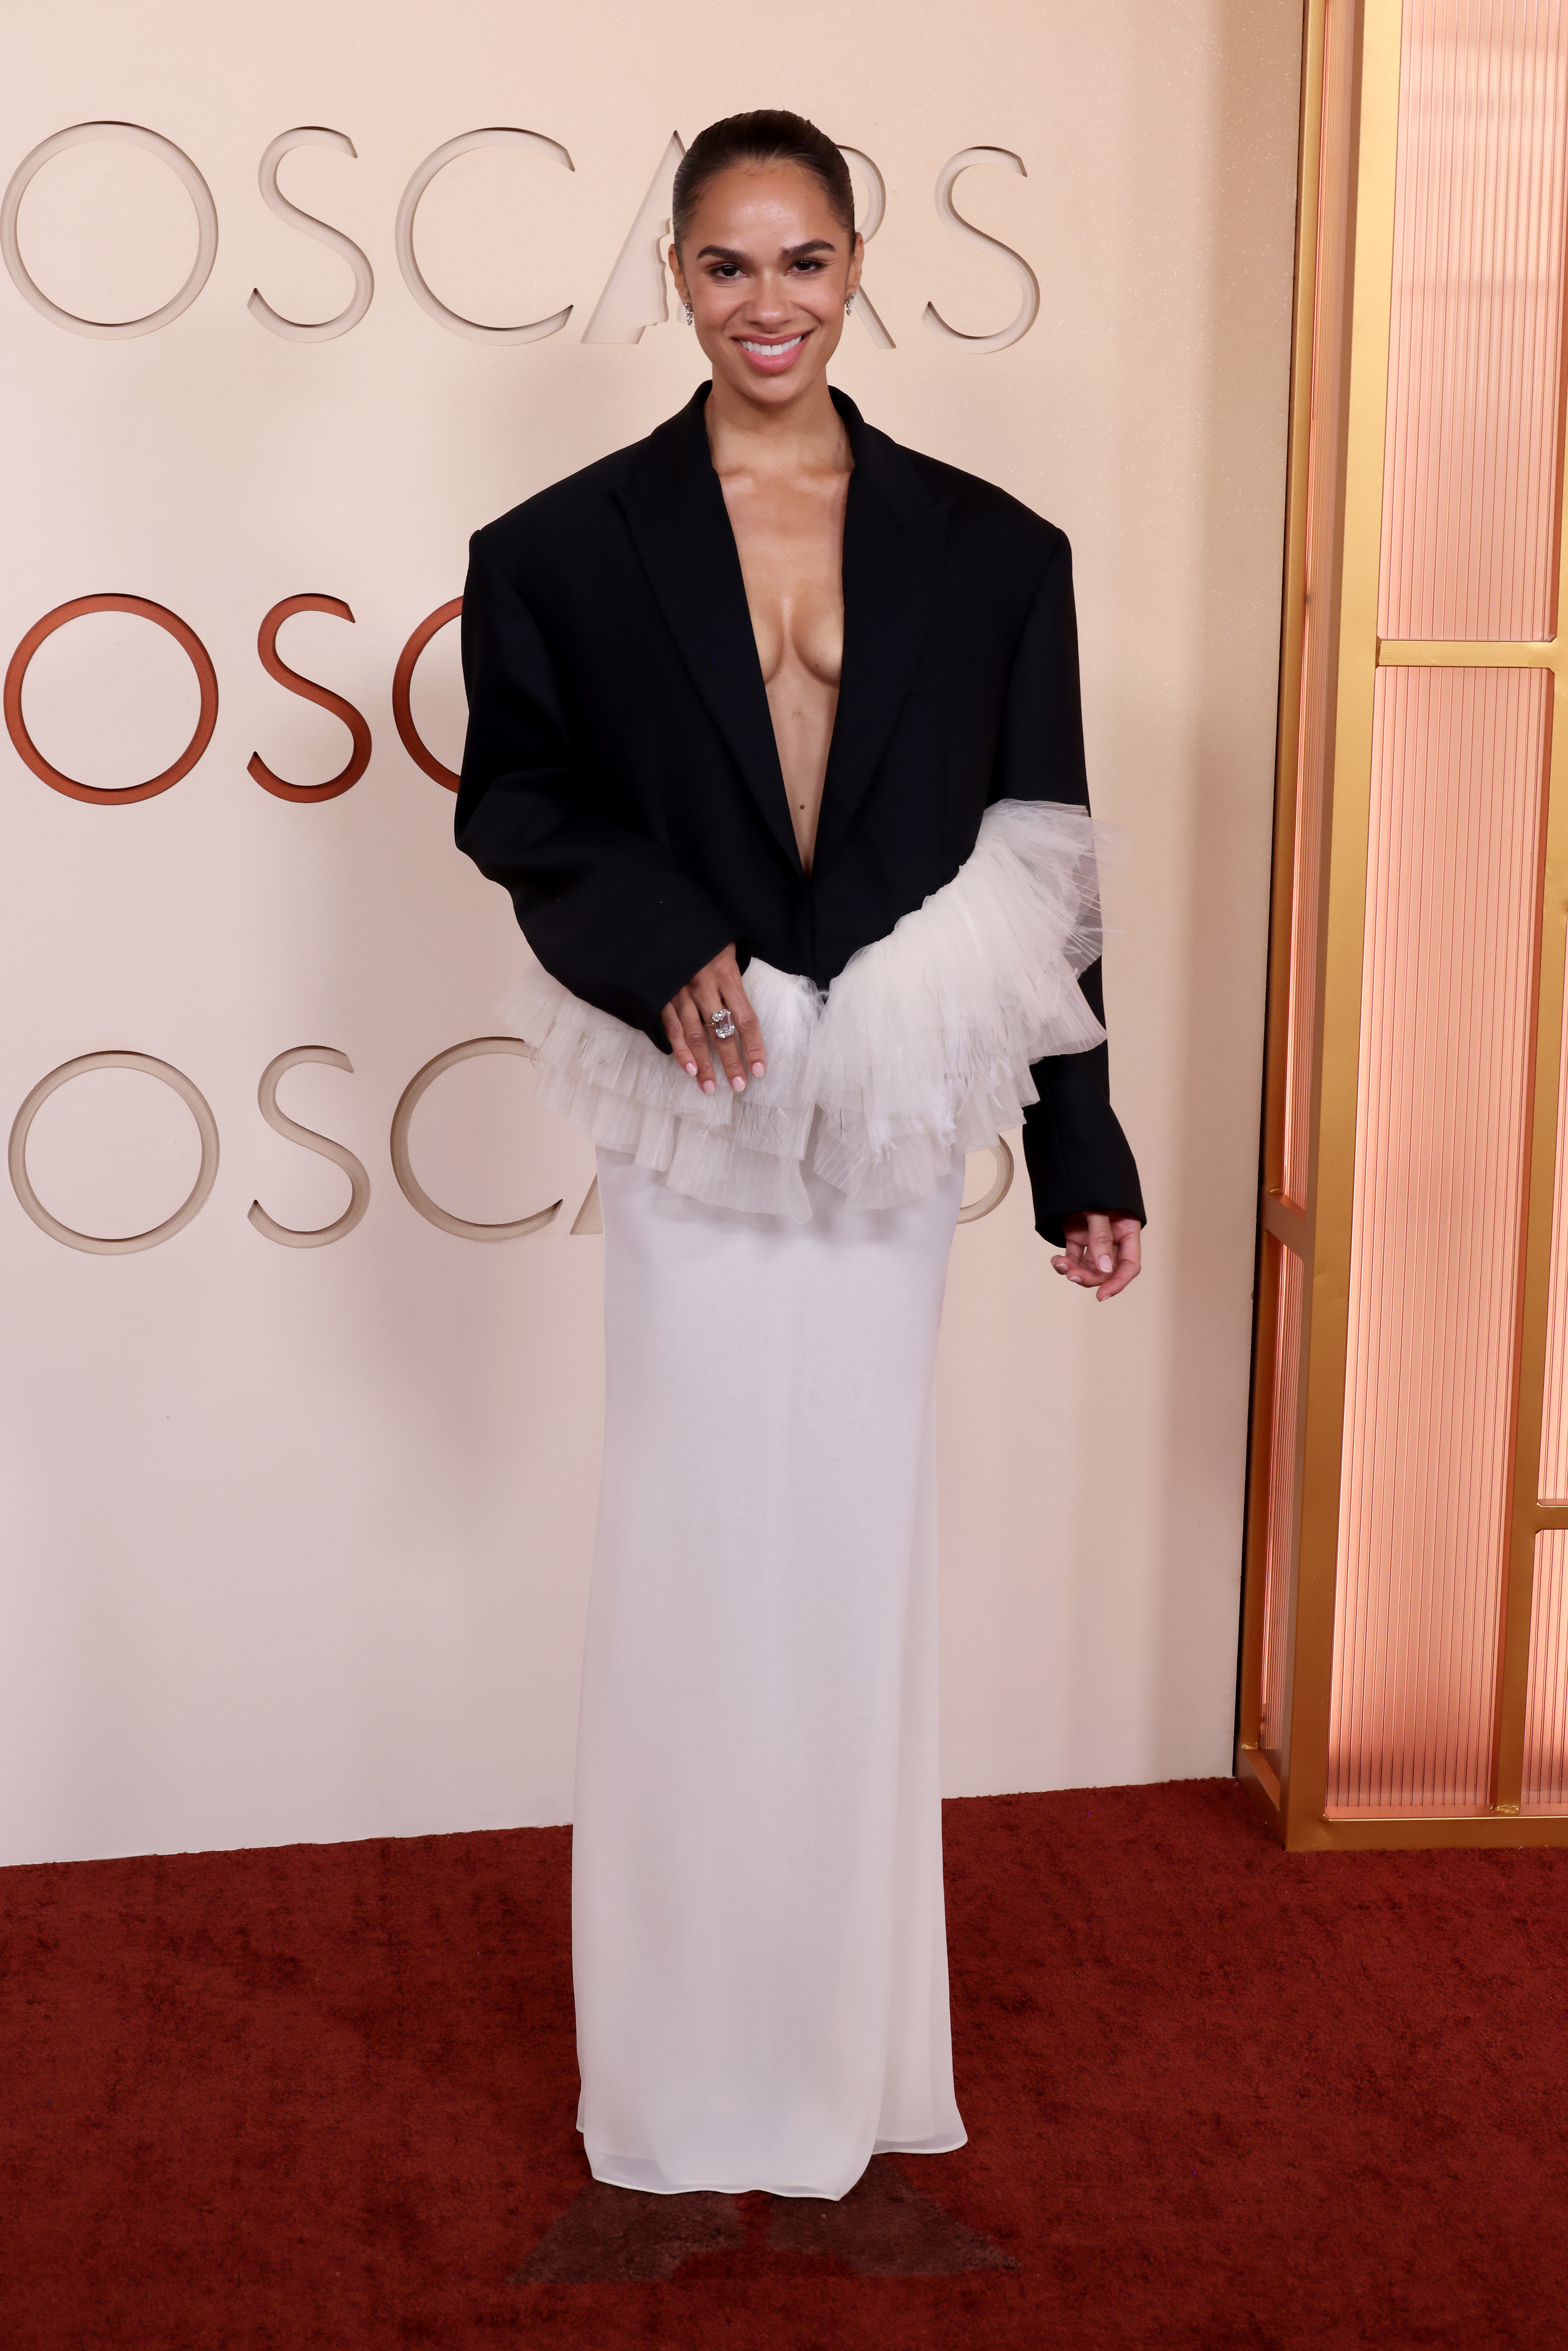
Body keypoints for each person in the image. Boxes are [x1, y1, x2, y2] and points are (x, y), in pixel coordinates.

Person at [455, 109, 1144, 2202]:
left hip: (893, 1123)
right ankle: (674, 2079)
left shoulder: (995, 548)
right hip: (702, 1098)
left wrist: (1081, 1134)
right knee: (687, 1574)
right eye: (729, 265)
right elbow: (520, 808)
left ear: (860, 270)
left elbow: (1047, 870)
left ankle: (834, 2065)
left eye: (806, 260)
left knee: (850, 1579)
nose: (770, 303)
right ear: (677, 277)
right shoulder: (556, 547)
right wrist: (665, 941)